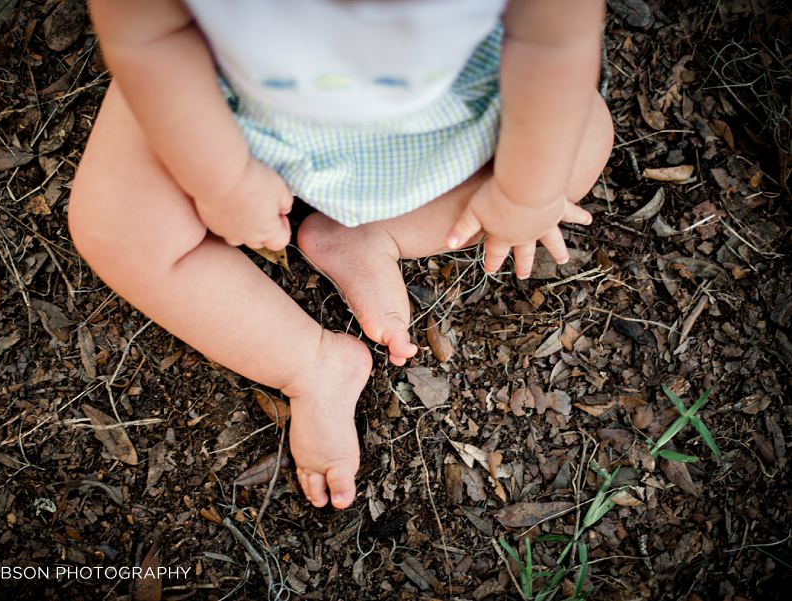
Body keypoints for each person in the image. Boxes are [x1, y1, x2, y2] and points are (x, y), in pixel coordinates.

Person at [69, 0, 614, 510]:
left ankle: (375, 234)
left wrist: (524, 193)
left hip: (440, 124)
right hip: (218, 112)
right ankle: (312, 365)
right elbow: (146, 33)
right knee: (117, 227)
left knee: (577, 140)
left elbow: (555, 44)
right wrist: (220, 177)